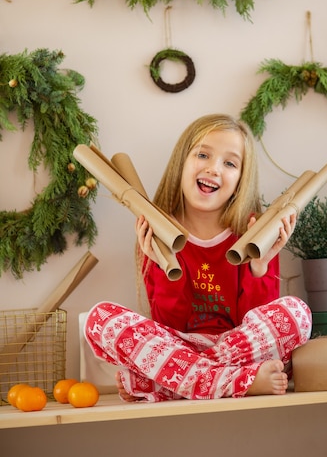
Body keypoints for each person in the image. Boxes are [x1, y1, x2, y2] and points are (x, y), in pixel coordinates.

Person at [84, 114, 312, 402]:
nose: (214, 168)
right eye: (203, 154)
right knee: (99, 319)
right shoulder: (157, 233)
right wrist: (161, 266)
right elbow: (171, 323)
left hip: (238, 349)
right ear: (182, 162)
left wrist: (259, 266)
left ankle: (170, 384)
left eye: (230, 163)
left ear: (241, 179)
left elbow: (253, 322)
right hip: (181, 347)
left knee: (297, 312)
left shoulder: (254, 233)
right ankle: (234, 382)